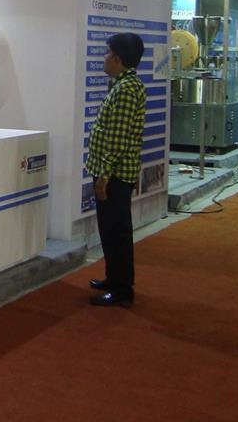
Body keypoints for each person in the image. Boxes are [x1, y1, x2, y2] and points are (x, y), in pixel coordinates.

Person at [85, 32, 147, 308]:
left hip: (116, 175)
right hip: (112, 172)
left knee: (117, 231)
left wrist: (104, 176)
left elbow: (117, 139)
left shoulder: (126, 90)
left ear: (118, 59)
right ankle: (114, 278)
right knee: (110, 230)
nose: (105, 58)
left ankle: (122, 289)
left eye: (108, 53)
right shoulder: (123, 85)